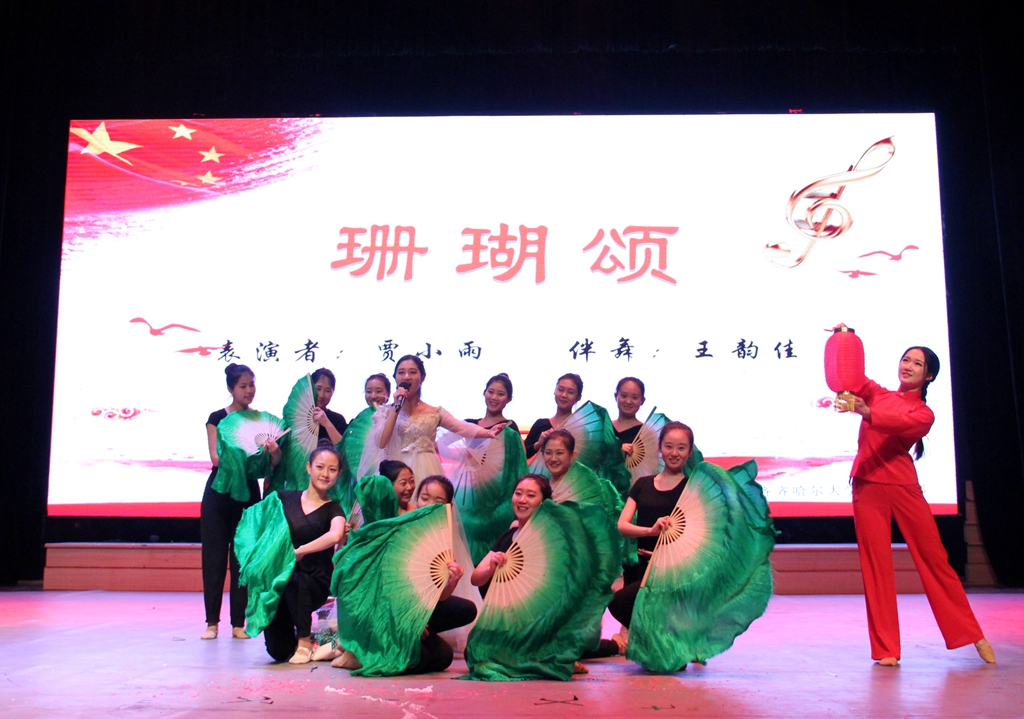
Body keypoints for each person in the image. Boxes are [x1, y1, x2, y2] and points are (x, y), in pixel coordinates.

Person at [834, 329, 995, 666]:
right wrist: (843, 338)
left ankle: (971, 633)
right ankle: (886, 650)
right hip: (866, 484)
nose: (907, 366)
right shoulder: (877, 393)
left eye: (917, 363)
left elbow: (897, 424)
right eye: (906, 359)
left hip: (902, 487)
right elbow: (851, 376)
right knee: (876, 568)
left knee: (934, 560)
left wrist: (868, 413)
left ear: (929, 375)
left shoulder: (924, 413)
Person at [201, 363, 280, 640]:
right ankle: (212, 623)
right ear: (231, 388)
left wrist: (271, 451)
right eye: (243, 386)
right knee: (214, 557)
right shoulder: (217, 418)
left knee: (242, 558)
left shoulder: (260, 422)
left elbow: (273, 464)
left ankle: (238, 623)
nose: (249, 390)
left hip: (248, 491)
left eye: (252, 384)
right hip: (220, 490)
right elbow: (216, 458)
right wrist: (246, 450)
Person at [608, 421, 694, 649]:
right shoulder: (643, 484)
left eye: (681, 448)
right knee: (617, 603)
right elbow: (622, 525)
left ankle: (676, 642)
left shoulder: (692, 488)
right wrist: (650, 531)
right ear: (660, 447)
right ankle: (657, 641)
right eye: (669, 446)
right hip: (644, 567)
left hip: (675, 571)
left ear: (690, 452)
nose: (674, 453)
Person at [262, 443, 347, 664]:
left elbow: (335, 535)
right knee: (278, 651)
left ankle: (305, 642)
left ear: (338, 474)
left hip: (315, 581)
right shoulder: (284, 498)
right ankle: (317, 640)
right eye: (320, 467)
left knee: (295, 579)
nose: (325, 474)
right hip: (282, 579)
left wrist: (300, 551)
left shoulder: (334, 509)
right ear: (309, 467)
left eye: (332, 469)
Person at [361, 355, 501, 479]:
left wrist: (488, 433)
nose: (406, 377)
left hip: (426, 472)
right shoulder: (385, 412)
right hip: (394, 473)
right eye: (401, 372)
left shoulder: (434, 412)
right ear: (395, 378)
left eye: (412, 372)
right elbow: (380, 442)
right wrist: (396, 408)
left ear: (422, 377)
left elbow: (461, 427)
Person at [523, 373, 584, 461]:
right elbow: (522, 455)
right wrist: (538, 445)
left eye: (570, 392)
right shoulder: (540, 424)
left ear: (578, 397)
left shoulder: (580, 430)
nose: (564, 395)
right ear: (555, 391)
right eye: (560, 389)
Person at [311, 368, 347, 445]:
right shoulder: (296, 416)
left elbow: (343, 448)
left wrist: (326, 423)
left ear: (333, 392)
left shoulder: (338, 420)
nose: (321, 395)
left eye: (327, 390)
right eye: (318, 389)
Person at [612, 377, 646, 455]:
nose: (628, 401)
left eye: (634, 398)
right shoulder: (606, 427)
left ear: (642, 400)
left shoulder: (645, 433)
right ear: (615, 396)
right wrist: (618, 450)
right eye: (624, 396)